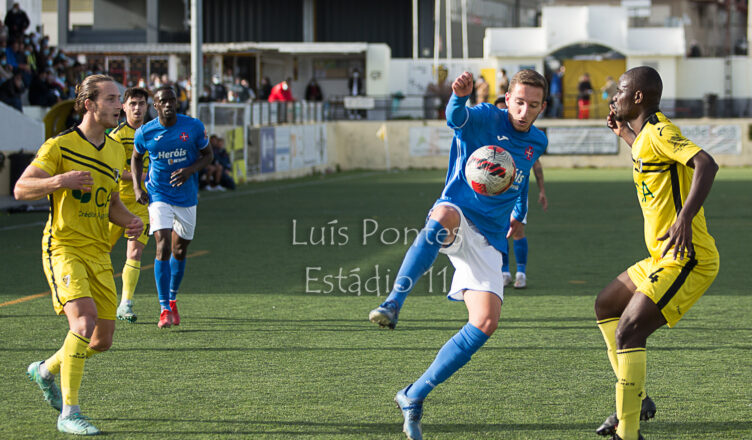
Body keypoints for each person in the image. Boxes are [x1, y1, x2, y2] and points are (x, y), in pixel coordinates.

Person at [369, 70, 548, 440]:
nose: (524, 109)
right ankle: (393, 303)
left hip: (490, 238)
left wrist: (519, 215)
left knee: (486, 322)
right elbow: (455, 119)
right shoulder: (485, 116)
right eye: (519, 101)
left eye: (533, 105)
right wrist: (459, 97)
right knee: (444, 215)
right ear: (507, 97)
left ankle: (413, 395)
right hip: (459, 212)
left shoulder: (537, 141)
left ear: (542, 107)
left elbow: (521, 177)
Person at [594, 66, 719, 440]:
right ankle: (638, 397)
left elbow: (706, 164)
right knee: (606, 305)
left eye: (620, 91)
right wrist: (626, 136)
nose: (613, 97)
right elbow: (652, 159)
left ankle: (626, 432)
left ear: (638, 98)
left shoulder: (662, 131)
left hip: (688, 258)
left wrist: (684, 218)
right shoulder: (646, 135)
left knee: (630, 331)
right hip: (661, 256)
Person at [17, 74, 144, 435]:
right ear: (89, 104)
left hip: (98, 251)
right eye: (111, 99)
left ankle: (44, 371)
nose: (119, 105)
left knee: (101, 341)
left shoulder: (117, 148)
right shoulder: (60, 146)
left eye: (119, 98)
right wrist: (59, 181)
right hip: (64, 246)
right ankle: (69, 413)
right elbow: (22, 186)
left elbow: (112, 202)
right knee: (83, 324)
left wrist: (130, 219)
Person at [132, 86, 213, 328]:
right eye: (162, 101)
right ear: (155, 106)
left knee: (180, 249)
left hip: (186, 196)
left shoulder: (193, 126)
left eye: (171, 100)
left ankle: (173, 297)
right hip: (158, 193)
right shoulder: (145, 132)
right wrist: (138, 187)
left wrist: (189, 170)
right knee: (163, 244)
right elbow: (136, 158)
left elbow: (208, 155)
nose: (168, 104)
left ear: (176, 103)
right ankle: (164, 308)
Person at [108, 87, 151, 323]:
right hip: (116, 204)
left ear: (147, 106)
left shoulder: (153, 132)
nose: (137, 108)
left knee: (134, 251)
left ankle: (125, 303)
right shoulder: (116, 135)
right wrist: (142, 177)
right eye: (132, 103)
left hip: (142, 204)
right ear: (123, 107)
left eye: (141, 103)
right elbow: (113, 171)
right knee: (100, 251)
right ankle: (95, 296)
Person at [497, 92, 548, 289]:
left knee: (517, 231)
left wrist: (542, 190)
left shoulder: (530, 139)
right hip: (494, 194)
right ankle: (504, 272)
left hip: (517, 193)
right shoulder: (493, 135)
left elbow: (535, 165)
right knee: (499, 233)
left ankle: (521, 273)